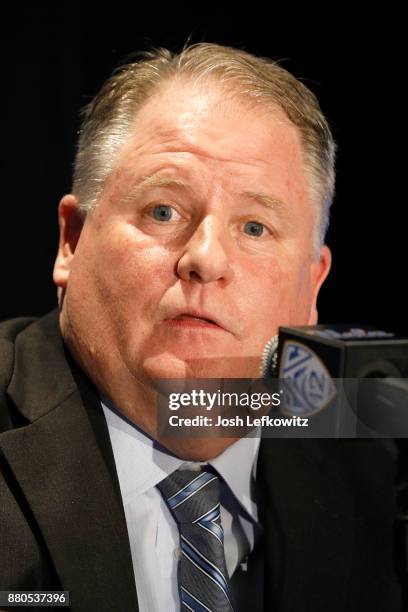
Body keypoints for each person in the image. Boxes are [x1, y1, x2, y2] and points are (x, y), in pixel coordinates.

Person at [0, 43, 401, 611]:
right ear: (72, 240)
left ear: (312, 288)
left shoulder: (377, 459)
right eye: (163, 211)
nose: (206, 259)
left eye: (255, 228)